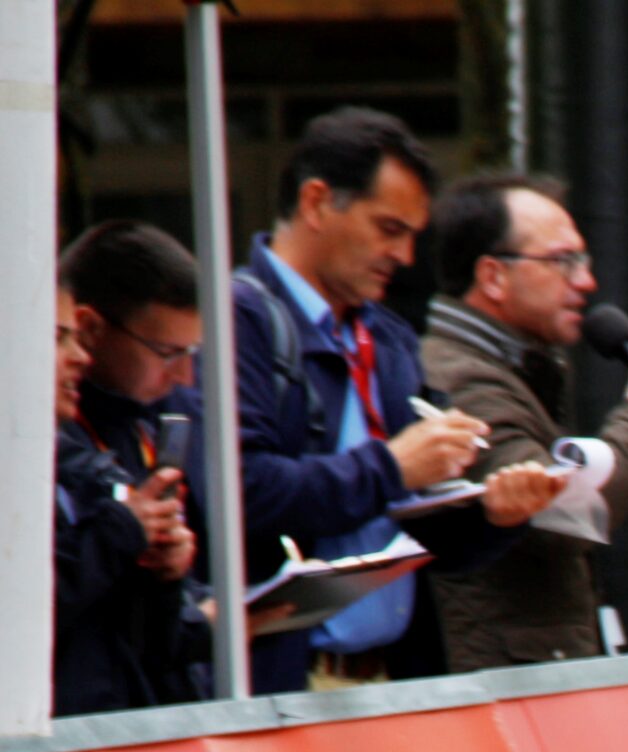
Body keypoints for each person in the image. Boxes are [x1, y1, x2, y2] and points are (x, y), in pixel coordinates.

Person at [225, 107, 563, 693]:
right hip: (282, 689)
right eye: (389, 229)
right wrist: (393, 465)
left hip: (391, 684)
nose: (405, 257)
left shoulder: (386, 338)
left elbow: (426, 532)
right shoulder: (238, 320)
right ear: (316, 203)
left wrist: (494, 515)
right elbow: (244, 495)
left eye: (413, 235)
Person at [420, 172, 628, 669]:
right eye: (561, 261)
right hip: (502, 689)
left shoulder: (517, 363)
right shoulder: (458, 381)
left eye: (583, 259)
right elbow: (567, 517)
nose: (586, 281)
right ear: (492, 276)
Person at [57, 221, 209, 711]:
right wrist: (121, 530)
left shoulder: (147, 426)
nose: (184, 376)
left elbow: (143, 643)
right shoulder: (52, 448)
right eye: (167, 353)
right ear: (94, 327)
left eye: (191, 355)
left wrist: (169, 577)